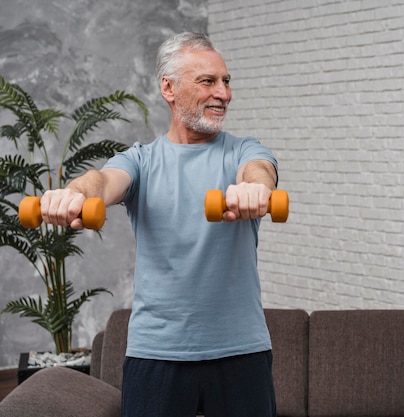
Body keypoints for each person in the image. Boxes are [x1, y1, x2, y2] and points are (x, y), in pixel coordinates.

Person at [40, 32, 278, 417]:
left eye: (226, 81)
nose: (224, 93)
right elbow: (101, 182)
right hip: (158, 352)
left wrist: (254, 189)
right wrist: (74, 194)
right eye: (208, 81)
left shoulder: (243, 151)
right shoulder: (141, 160)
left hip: (241, 350)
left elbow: (260, 173)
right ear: (169, 87)